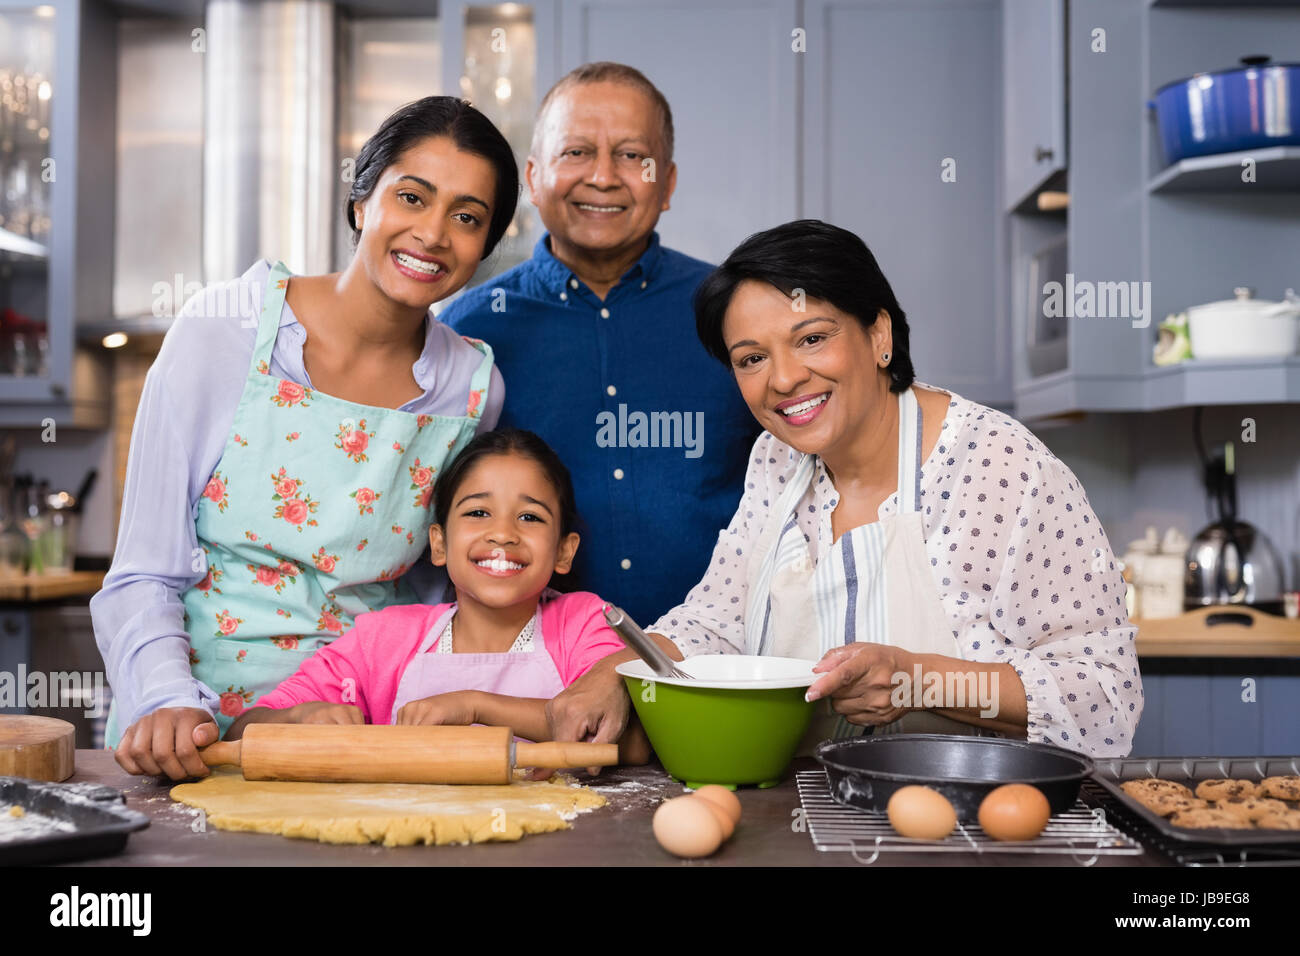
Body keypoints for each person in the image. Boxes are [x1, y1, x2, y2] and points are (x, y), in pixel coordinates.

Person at [556, 220, 1144, 759]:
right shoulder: (777, 461)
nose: (783, 379)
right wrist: (618, 669)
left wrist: (921, 680)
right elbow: (718, 622)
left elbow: (1104, 697)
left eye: (812, 338)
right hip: (804, 819)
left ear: (878, 332)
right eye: (752, 357)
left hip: (965, 824)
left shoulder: (999, 467)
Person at [93, 96, 519, 780]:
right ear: (361, 202)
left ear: (485, 247)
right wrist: (169, 703)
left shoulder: (471, 389)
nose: (434, 234)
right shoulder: (224, 331)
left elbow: (438, 593)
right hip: (200, 739)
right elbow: (144, 570)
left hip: (362, 735)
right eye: (411, 197)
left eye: (467, 218)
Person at [442, 62, 759, 629]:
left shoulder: (736, 312)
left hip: (723, 661)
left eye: (633, 155)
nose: (605, 176)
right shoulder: (469, 326)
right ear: (535, 178)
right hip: (534, 678)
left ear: (667, 183)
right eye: (577, 152)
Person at [226, 429, 651, 765]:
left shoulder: (584, 623)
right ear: (439, 542)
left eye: (529, 516)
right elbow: (242, 732)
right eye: (477, 512)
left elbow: (631, 745)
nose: (503, 533)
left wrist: (475, 706)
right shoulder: (384, 640)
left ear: (564, 550)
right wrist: (299, 719)